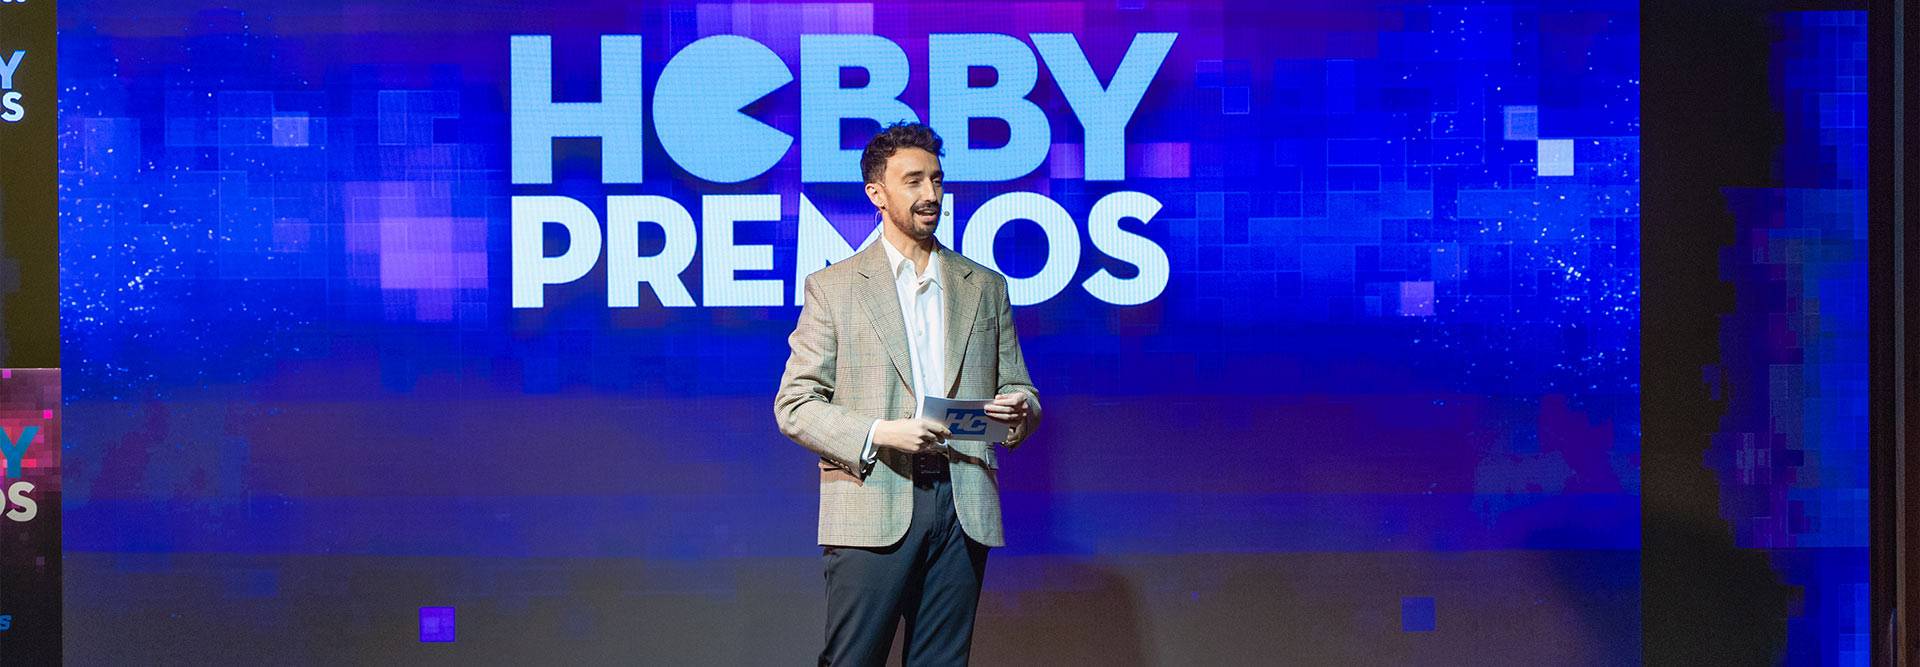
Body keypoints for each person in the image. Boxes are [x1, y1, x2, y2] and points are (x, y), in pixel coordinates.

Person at [775, 121, 1042, 665]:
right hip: (874, 496)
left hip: (963, 498)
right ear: (877, 193)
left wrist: (1019, 410)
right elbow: (795, 404)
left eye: (937, 181)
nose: (931, 195)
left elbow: (1018, 387)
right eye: (913, 181)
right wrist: (880, 432)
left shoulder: (984, 285)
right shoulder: (835, 287)